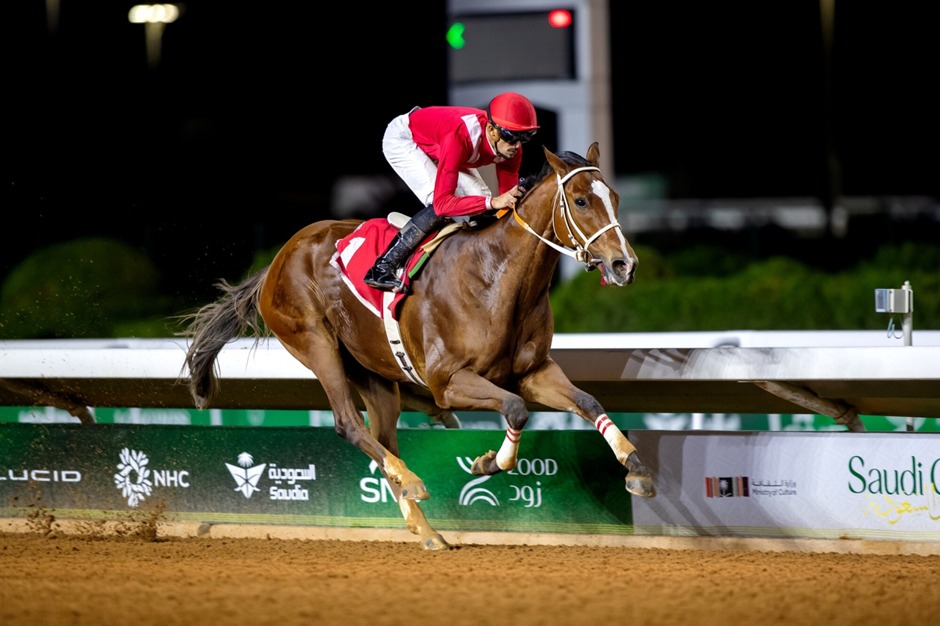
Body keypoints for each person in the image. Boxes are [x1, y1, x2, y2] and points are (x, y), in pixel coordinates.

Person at [363, 91, 540, 293]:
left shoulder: (511, 148)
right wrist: (494, 202)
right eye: (511, 137)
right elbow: (443, 204)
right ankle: (383, 266)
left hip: (443, 146)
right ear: (492, 130)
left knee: (482, 197)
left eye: (524, 138)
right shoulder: (461, 136)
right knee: (442, 206)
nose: (516, 146)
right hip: (405, 139)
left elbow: (506, 203)